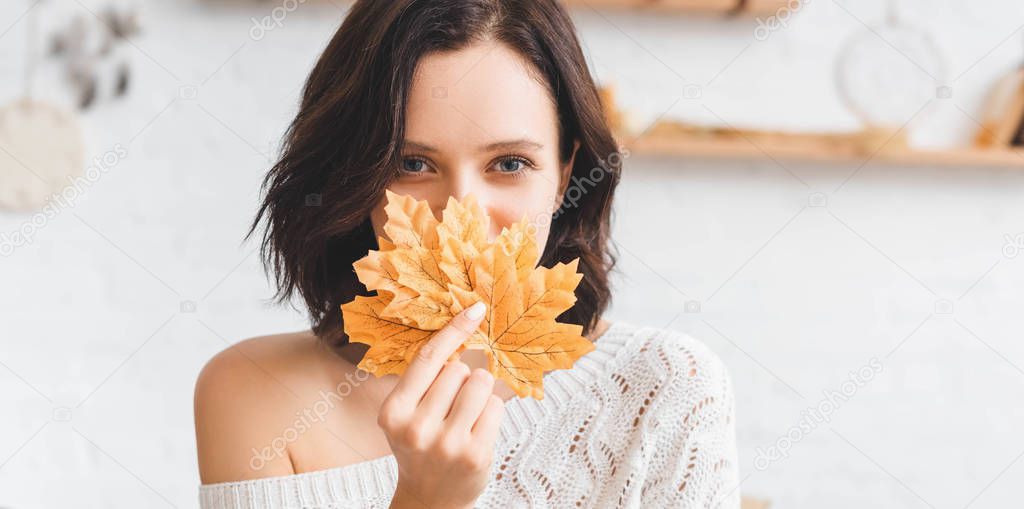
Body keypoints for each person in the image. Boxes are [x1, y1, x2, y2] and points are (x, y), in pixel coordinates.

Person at [193, 1, 740, 507]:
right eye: (412, 164)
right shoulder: (250, 393)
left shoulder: (666, 387)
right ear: (351, 177)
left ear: (565, 175)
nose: (463, 215)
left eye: (508, 164)